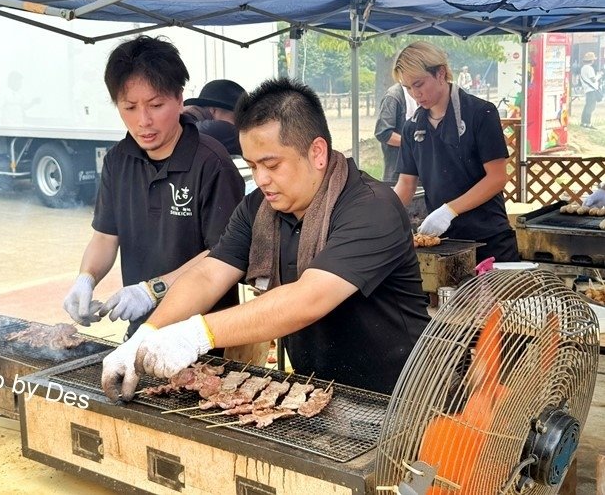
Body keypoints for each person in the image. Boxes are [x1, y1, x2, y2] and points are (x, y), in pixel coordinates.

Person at [101, 77, 431, 402]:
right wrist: (147, 333)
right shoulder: (259, 208)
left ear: (317, 152)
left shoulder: (371, 206)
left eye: (271, 164)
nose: (261, 179)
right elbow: (209, 273)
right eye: (252, 165)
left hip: (396, 396)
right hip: (315, 393)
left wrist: (196, 334)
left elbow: (308, 298)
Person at [63, 35, 244, 339]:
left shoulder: (212, 163)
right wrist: (86, 278)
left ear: (179, 99)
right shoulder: (117, 161)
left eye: (156, 105)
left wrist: (153, 290)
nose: (143, 121)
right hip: (142, 333)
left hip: (204, 335)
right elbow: (105, 237)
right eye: (130, 107)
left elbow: (225, 252)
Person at [392, 41, 520, 264]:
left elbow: (497, 177)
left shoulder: (481, 113)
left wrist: (449, 210)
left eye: (419, 84)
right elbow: (406, 184)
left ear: (440, 73)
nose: (415, 94)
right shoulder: (412, 127)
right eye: (408, 88)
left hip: (490, 238)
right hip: (445, 245)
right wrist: (378, 213)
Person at [182, 79, 247, 157]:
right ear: (214, 110)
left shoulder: (183, 121)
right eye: (237, 117)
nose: (240, 125)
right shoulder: (213, 129)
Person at [374, 83, 417, 183]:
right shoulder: (393, 96)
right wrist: (415, 143)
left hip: (418, 170)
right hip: (397, 172)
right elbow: (383, 133)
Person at [580, 51, 602, 129]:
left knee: (587, 106)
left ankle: (584, 123)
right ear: (591, 60)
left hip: (588, 90)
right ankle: (587, 124)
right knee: (591, 107)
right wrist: (599, 75)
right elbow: (593, 79)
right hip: (591, 90)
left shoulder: (583, 68)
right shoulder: (589, 68)